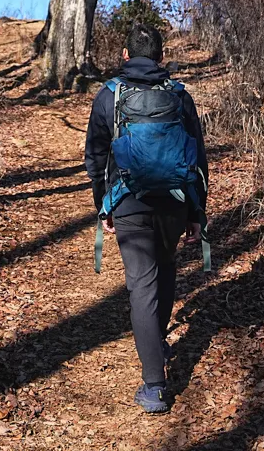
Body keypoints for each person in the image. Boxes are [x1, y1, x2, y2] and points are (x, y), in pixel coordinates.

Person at [84, 22, 208, 414]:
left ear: (125, 56)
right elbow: (197, 159)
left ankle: (154, 386)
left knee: (142, 286)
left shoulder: (109, 96)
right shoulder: (179, 96)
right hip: (173, 202)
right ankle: (156, 345)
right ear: (160, 55)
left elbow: (96, 157)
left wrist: (102, 206)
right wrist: (196, 211)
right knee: (167, 266)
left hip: (129, 203)